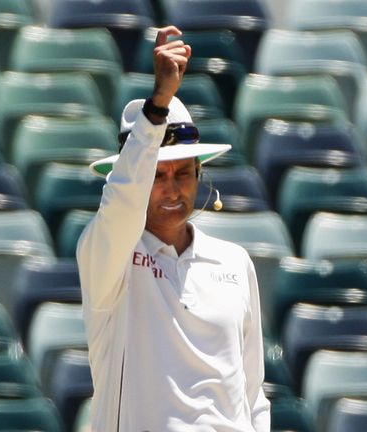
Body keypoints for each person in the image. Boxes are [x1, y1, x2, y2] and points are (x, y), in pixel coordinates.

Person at [76, 26, 270, 431]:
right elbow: (122, 202)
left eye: (183, 173)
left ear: (200, 176)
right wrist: (158, 103)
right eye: (155, 175)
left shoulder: (234, 261)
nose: (170, 188)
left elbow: (252, 395)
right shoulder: (108, 256)